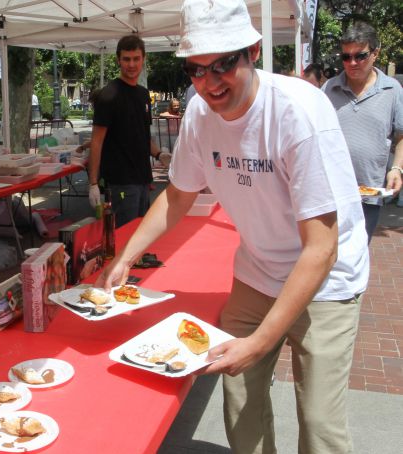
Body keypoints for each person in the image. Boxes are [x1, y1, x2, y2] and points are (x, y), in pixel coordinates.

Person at [96, 0, 369, 452]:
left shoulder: (299, 112)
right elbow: (179, 195)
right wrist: (124, 257)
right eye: (196, 70)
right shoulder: (201, 116)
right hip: (257, 271)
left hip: (326, 284)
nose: (210, 82)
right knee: (239, 401)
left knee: (320, 423)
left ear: (254, 51)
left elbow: (321, 249)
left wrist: (261, 343)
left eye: (224, 64)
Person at [323, 22, 403, 243]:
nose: (352, 63)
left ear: (375, 53)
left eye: (360, 55)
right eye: (346, 57)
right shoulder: (328, 89)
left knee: (358, 253)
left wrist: (396, 168)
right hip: (332, 192)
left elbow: (401, 135)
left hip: (370, 194)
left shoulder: (392, 89)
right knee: (327, 254)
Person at [88, 35, 171, 227]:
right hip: (120, 182)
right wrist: (93, 183)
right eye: (126, 59)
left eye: (136, 59)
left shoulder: (143, 94)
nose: (131, 64)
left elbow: (142, 136)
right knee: (125, 239)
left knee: (140, 235)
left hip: (143, 179)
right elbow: (96, 141)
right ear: (118, 60)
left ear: (144, 59)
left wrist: (160, 154)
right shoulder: (109, 95)